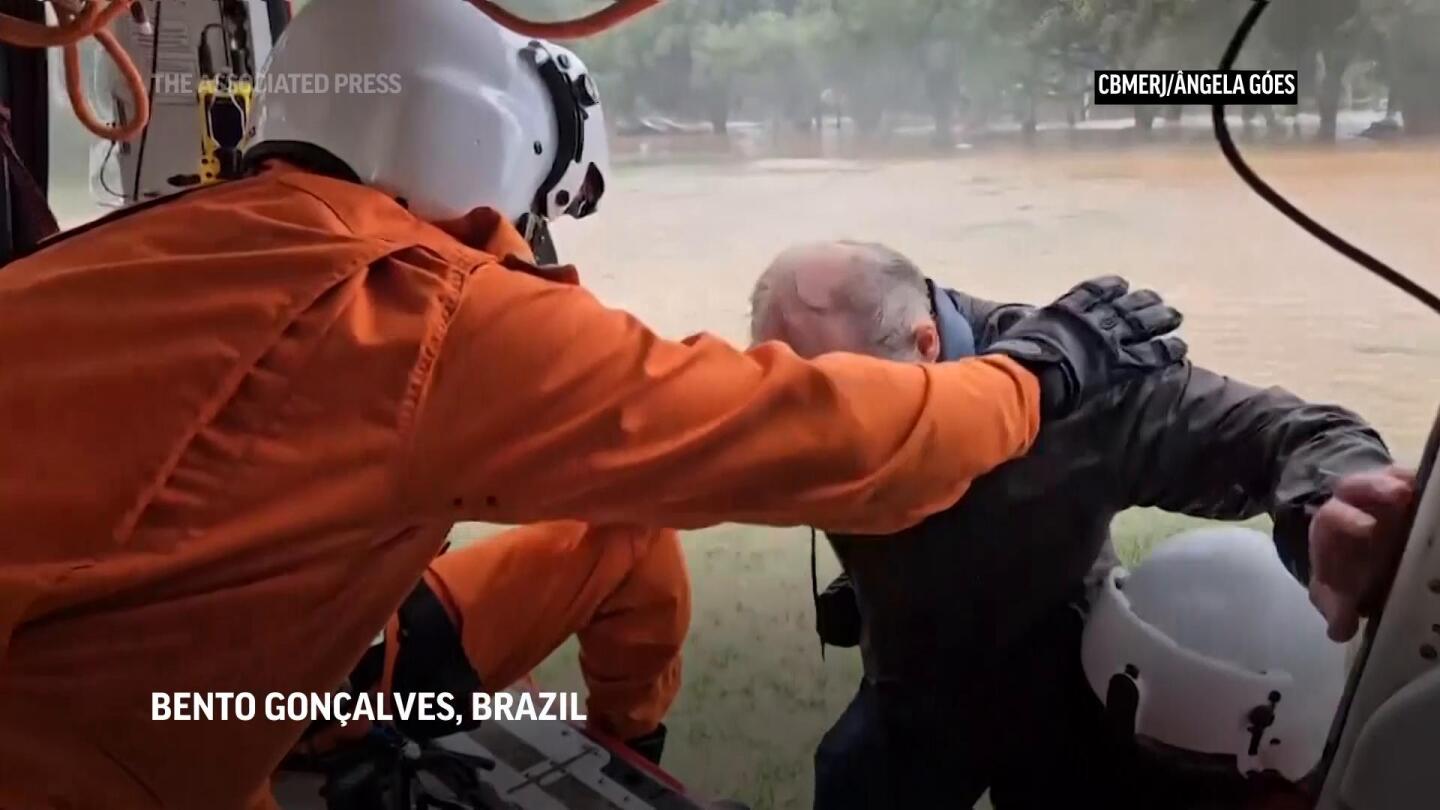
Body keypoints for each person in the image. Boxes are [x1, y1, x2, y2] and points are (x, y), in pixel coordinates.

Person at [0, 1, 1193, 808]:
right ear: (498, 137)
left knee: (624, 539)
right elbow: (816, 436)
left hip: (235, 675)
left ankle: (623, 751)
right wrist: (1041, 372)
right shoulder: (418, 313)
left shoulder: (138, 245)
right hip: (115, 753)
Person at [746, 241, 1415, 810]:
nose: (820, 448)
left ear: (927, 349)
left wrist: (1333, 501)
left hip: (1061, 678)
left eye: (849, 426)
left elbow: (1290, 434)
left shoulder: (1077, 386)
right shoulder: (806, 392)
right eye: (799, 415)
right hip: (909, 678)